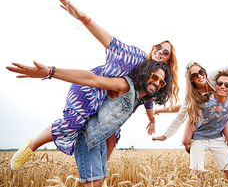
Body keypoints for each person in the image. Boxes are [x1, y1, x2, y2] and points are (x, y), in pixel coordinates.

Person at [7, 60, 172, 186]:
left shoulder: (140, 99)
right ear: (145, 73)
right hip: (86, 136)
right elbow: (92, 79)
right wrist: (51, 72)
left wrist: (152, 120)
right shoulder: (125, 85)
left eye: (161, 82)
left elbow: (151, 106)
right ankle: (32, 144)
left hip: (100, 139)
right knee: (95, 181)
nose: (157, 83)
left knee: (100, 178)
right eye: (155, 77)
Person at [56, 0, 179, 159]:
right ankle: (33, 144)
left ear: (168, 60)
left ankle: (102, 173)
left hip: (113, 107)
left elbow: (149, 101)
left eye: (166, 52)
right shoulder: (138, 58)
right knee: (73, 123)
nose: (160, 51)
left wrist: (152, 120)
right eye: (158, 47)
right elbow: (112, 43)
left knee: (112, 137)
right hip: (93, 89)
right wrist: (83, 18)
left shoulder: (157, 78)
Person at [152, 30, 228, 174]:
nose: (200, 76)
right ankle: (193, 149)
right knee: (186, 141)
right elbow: (180, 114)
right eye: (195, 75)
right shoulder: (191, 96)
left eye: (201, 72)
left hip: (217, 114)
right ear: (191, 79)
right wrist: (165, 135)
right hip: (198, 115)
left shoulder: (212, 77)